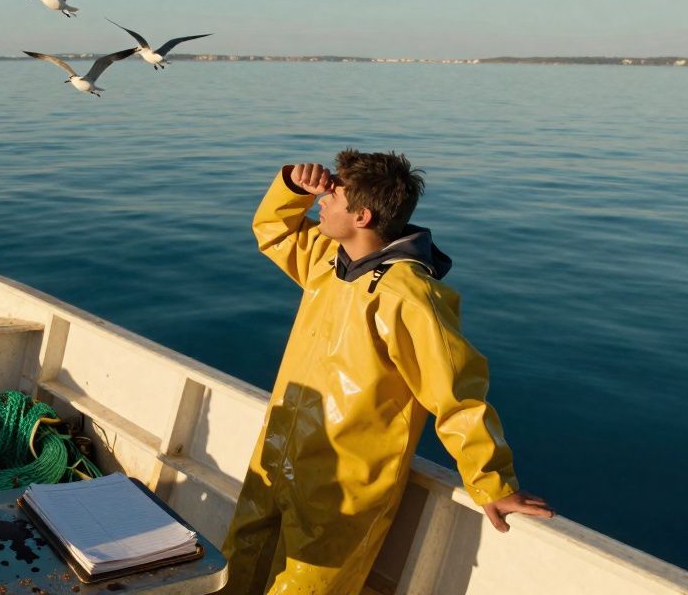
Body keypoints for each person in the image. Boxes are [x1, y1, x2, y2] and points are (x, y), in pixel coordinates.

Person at [221, 151, 554, 594]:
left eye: (332, 195)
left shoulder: (409, 295)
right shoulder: (327, 263)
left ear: (362, 215)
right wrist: (291, 188)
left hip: (342, 488)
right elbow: (273, 232)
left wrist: (492, 482)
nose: (322, 199)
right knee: (233, 575)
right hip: (277, 458)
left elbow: (456, 393)